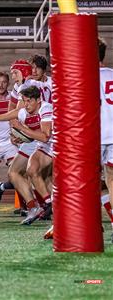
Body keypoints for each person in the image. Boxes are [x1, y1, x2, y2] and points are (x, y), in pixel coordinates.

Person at [0, 86, 53, 225]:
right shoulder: (24, 112)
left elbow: (45, 136)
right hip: (43, 146)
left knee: (50, 179)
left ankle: (53, 207)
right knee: (31, 170)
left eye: (28, 101)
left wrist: (21, 130)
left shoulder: (46, 109)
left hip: (58, 145)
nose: (25, 105)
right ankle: (44, 205)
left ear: (38, 100)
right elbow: (15, 114)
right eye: (24, 101)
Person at [99, 37, 113, 243]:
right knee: (111, 179)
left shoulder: (84, 77)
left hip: (95, 134)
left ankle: (89, 225)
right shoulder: (112, 74)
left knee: (85, 181)